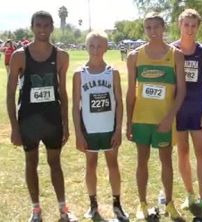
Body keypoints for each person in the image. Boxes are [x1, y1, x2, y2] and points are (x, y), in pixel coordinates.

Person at [6, 11, 77, 222]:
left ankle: (63, 209)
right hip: (28, 120)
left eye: (47, 25)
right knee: (31, 162)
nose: (43, 29)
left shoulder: (61, 56)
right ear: (32, 27)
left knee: (55, 164)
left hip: (52, 119)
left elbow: (63, 93)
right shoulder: (19, 55)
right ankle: (36, 210)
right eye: (39, 25)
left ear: (52, 27)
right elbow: (10, 94)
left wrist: (65, 124)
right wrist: (14, 127)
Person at [125, 12, 186, 220]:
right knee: (142, 161)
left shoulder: (175, 54)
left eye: (156, 27)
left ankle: (169, 203)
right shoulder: (134, 56)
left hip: (164, 120)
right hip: (141, 120)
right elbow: (131, 93)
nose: (153, 31)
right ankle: (142, 204)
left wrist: (170, 118)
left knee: (166, 161)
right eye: (148, 27)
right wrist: (128, 122)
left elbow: (182, 92)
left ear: (163, 28)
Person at [72, 30, 129, 221]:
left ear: (106, 47)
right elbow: (75, 106)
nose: (95, 50)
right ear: (86, 47)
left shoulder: (112, 72)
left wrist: (118, 129)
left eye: (99, 46)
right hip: (89, 129)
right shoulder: (79, 74)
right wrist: (78, 133)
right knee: (91, 165)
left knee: (113, 165)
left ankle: (117, 203)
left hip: (109, 128)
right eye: (92, 46)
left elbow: (119, 103)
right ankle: (93, 204)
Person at [171, 8, 202, 216]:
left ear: (198, 27)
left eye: (193, 25)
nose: (189, 29)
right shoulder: (172, 50)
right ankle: (189, 194)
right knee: (182, 152)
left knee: (201, 154)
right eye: (186, 24)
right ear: (180, 25)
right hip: (178, 109)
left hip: (197, 109)